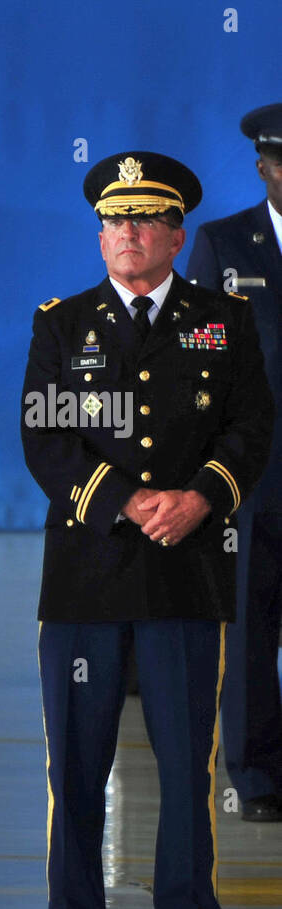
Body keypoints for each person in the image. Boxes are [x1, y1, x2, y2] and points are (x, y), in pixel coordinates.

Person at [21, 150, 273, 909]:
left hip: (185, 571)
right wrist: (126, 499)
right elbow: (45, 438)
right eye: (111, 221)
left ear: (177, 232)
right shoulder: (61, 323)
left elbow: (250, 430)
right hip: (88, 574)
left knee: (186, 759)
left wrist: (201, 495)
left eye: (142, 219)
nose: (124, 233)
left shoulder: (224, 320)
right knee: (79, 764)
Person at [188, 104, 282, 823]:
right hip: (255, 469)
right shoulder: (224, 244)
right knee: (248, 619)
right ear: (263, 167)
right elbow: (201, 365)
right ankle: (255, 775)